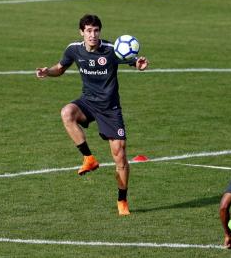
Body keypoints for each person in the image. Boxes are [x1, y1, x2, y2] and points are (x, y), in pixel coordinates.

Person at [36, 14, 149, 216]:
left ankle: (122, 200)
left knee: (120, 156)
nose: (93, 35)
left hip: (110, 108)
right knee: (66, 112)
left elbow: (130, 60)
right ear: (82, 32)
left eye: (96, 30)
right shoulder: (74, 50)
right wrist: (47, 72)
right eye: (88, 30)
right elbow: (60, 68)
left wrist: (138, 65)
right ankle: (89, 158)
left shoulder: (111, 49)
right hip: (88, 102)